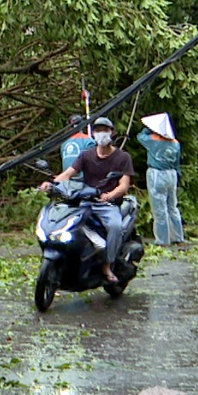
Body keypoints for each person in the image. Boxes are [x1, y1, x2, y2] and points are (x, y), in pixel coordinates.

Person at [41, 116, 135, 284]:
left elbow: (124, 185)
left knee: (115, 226)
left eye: (105, 130)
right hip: (86, 201)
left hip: (107, 204)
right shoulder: (86, 155)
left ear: (112, 133)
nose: (101, 134)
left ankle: (108, 264)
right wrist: (52, 184)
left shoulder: (122, 157)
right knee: (70, 224)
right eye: (97, 130)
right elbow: (69, 173)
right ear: (93, 133)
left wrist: (110, 195)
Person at [138, 113, 184, 246]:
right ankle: (178, 237)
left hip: (157, 174)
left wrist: (149, 128)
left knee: (159, 208)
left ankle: (162, 240)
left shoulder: (152, 140)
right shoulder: (175, 143)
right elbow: (177, 163)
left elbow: (140, 136)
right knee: (172, 207)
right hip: (172, 174)